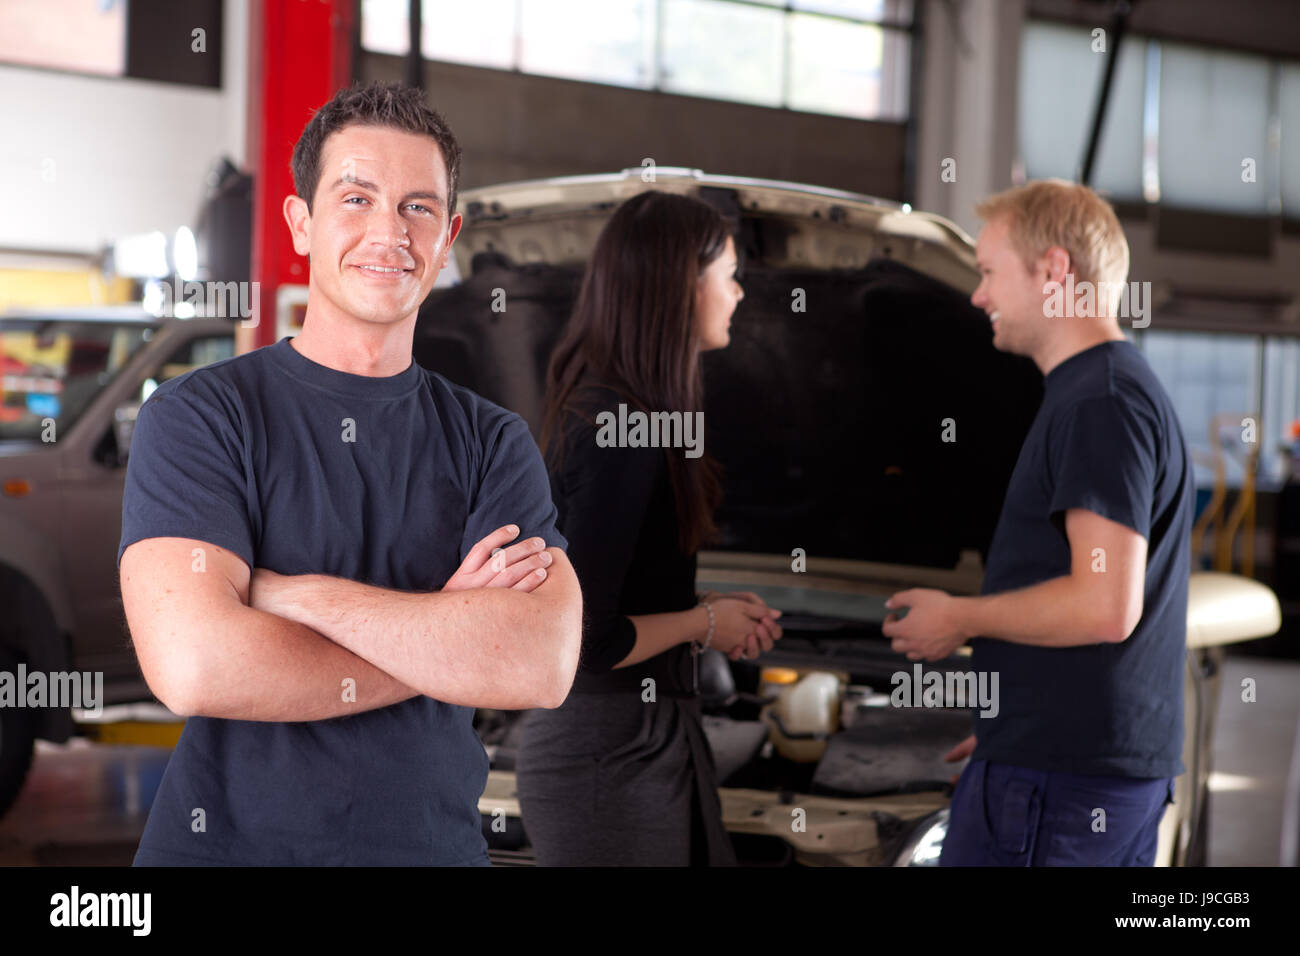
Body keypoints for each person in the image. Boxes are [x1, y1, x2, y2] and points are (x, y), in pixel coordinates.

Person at [117, 81, 582, 866]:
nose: (389, 232)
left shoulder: (492, 442)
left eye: (418, 207)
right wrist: (443, 635)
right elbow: (194, 665)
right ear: (302, 223)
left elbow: (537, 663)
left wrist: (293, 595)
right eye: (357, 197)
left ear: (449, 236)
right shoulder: (201, 417)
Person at [882, 179, 1193, 866]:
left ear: (1054, 271)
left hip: (1066, 788)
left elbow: (1105, 604)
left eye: (989, 272)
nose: (978, 295)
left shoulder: (1100, 402)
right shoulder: (1099, 390)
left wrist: (960, 618)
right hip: (1066, 769)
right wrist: (1015, 730)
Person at [515, 190, 784, 866]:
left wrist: (711, 612)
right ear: (683, 289)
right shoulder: (619, 430)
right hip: (604, 756)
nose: (739, 294)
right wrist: (702, 626)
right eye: (729, 275)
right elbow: (585, 638)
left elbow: (621, 587)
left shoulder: (623, 409)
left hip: (632, 739)